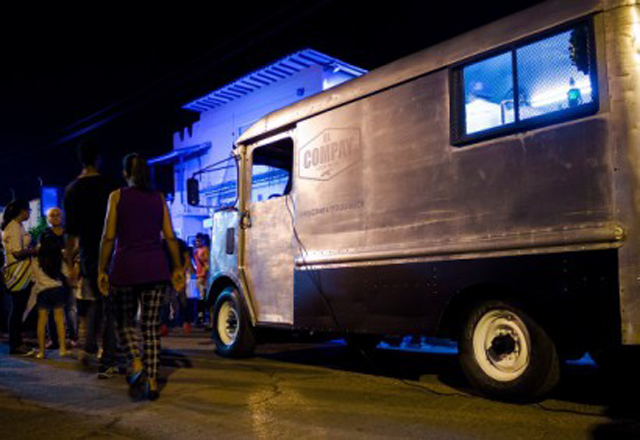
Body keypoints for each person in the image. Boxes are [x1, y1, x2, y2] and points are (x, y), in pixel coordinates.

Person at [99, 153, 184, 401]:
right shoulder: (158, 198)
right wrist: (177, 266)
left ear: (125, 172)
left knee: (123, 321)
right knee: (150, 328)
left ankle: (136, 363)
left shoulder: (117, 196)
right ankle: (153, 382)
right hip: (155, 269)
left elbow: (108, 236)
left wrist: (102, 269)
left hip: (125, 269)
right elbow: (169, 236)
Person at [64, 139, 119, 378]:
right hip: (113, 252)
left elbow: (70, 233)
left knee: (97, 300)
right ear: (98, 157)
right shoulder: (110, 186)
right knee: (110, 306)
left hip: (87, 254)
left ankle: (88, 347)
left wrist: (69, 263)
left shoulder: (72, 189)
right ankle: (107, 359)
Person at [1, 199, 36, 356]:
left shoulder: (18, 226)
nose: (29, 213)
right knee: (17, 310)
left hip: (20, 273)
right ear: (22, 211)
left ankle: (17, 343)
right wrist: (34, 251)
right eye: (28, 210)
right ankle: (15, 345)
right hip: (18, 274)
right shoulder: (14, 227)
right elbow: (17, 252)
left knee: (18, 309)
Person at [41, 207, 78, 349]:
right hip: (52, 274)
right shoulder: (45, 234)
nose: (56, 217)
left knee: (70, 307)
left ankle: (73, 337)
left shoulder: (68, 233)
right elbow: (43, 254)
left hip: (68, 273)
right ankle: (54, 339)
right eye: (52, 215)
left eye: (58, 215)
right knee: (52, 307)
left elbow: (76, 251)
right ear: (48, 219)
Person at [32, 234, 69, 359]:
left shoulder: (36, 259)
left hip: (42, 291)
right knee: (59, 321)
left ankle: (41, 352)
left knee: (42, 322)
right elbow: (67, 273)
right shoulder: (57, 257)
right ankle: (62, 349)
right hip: (57, 289)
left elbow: (33, 276)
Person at [194, 233, 210, 326]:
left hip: (202, 276)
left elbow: (206, 263)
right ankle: (201, 316)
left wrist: (204, 274)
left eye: (199, 240)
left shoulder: (203, 250)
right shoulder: (197, 251)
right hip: (200, 276)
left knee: (202, 297)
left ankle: (201, 317)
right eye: (197, 240)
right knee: (200, 297)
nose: (197, 242)